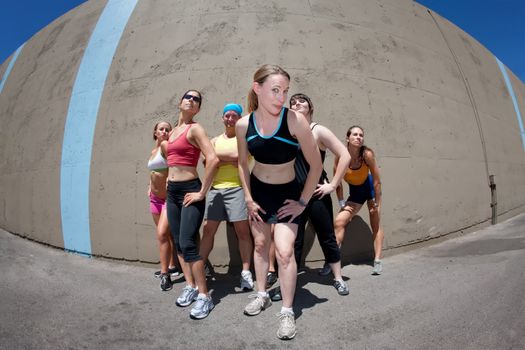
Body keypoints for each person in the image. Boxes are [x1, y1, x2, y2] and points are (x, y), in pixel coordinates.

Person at [236, 65, 322, 340]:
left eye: (284, 91)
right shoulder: (243, 125)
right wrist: (248, 198)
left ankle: (286, 311)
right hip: (259, 193)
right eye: (275, 90)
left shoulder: (295, 120)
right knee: (261, 246)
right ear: (257, 88)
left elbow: (317, 165)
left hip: (287, 194)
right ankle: (261, 294)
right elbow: (241, 164)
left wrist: (302, 202)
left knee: (284, 252)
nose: (281, 97)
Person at [161, 90, 219, 319]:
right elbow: (172, 162)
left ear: (198, 109)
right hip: (172, 192)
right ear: (180, 102)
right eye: (188, 96)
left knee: (188, 242)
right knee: (178, 242)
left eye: (197, 100)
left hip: (190, 190)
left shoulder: (195, 129)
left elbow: (212, 159)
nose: (192, 100)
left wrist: (202, 192)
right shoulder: (172, 133)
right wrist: (168, 179)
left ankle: (205, 296)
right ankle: (191, 286)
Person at [289, 93, 351, 295]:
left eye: (301, 101)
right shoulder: (288, 132)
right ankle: (289, 283)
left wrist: (332, 185)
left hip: (316, 193)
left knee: (327, 237)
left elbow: (345, 155)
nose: (297, 104)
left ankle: (338, 278)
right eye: (293, 102)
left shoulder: (318, 130)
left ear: (310, 107)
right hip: (294, 196)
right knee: (293, 241)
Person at [199, 103, 254, 291]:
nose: (230, 119)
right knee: (208, 231)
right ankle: (200, 268)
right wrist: (228, 158)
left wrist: (218, 158)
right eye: (227, 116)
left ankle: (246, 273)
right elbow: (208, 161)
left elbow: (240, 157)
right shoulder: (213, 140)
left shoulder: (244, 139)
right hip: (215, 190)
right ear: (223, 118)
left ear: (239, 118)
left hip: (238, 189)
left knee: (243, 233)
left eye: (234, 116)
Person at [334, 125, 384, 275]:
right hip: (355, 194)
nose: (358, 137)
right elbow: (337, 183)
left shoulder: (366, 155)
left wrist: (377, 204)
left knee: (375, 222)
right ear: (347, 138)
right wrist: (342, 203)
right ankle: (333, 261)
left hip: (369, 190)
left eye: (361, 135)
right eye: (355, 135)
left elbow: (376, 181)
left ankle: (377, 261)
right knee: (339, 221)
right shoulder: (340, 157)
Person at [147, 121, 181, 291]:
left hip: (168, 199)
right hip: (155, 199)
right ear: (155, 132)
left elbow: (174, 165)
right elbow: (153, 172)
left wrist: (170, 179)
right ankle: (172, 266)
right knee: (166, 235)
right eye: (161, 129)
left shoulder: (166, 146)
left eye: (168, 129)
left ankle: (165, 274)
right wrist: (149, 186)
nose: (165, 131)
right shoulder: (154, 151)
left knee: (162, 234)